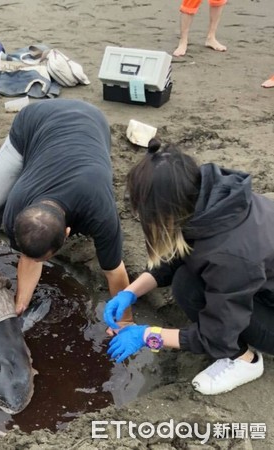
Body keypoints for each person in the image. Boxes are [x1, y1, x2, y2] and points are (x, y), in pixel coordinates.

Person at [104, 139, 273, 396]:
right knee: (186, 276)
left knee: (186, 286)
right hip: (260, 282)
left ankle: (244, 360)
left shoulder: (229, 255)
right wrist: (130, 292)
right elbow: (181, 253)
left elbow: (215, 334)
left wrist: (146, 335)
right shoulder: (211, 200)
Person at [0, 99, 129, 315]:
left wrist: (125, 322)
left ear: (67, 232)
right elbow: (29, 256)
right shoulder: (17, 205)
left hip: (93, 122)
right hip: (34, 122)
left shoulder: (101, 213)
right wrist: (20, 306)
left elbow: (115, 272)